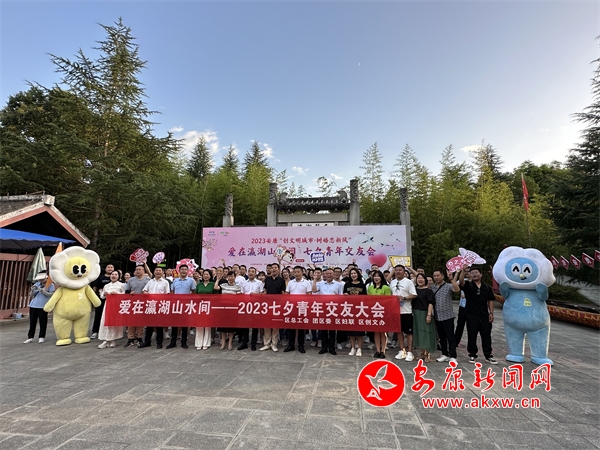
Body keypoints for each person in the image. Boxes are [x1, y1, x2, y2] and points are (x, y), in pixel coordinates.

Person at [459, 265, 497, 364]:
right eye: (472, 273)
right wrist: (463, 271)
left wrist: (491, 313)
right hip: (471, 315)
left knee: (486, 335)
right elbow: (461, 282)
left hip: (484, 315)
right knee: (472, 335)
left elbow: (490, 300)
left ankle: (488, 355)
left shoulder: (487, 287)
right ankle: (472, 354)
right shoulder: (468, 285)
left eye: (476, 272)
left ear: (481, 274)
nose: (474, 274)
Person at [431, 269, 460, 363]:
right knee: (441, 337)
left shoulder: (448, 286)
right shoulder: (432, 287)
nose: (436, 277)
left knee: (450, 337)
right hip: (437, 316)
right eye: (434, 276)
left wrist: (452, 279)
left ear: (442, 276)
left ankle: (453, 356)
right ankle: (444, 354)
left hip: (448, 315)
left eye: (438, 275)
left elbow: (457, 289)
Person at [313, 268, 343, 355]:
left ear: (333, 275)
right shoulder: (321, 284)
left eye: (331, 273)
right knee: (323, 329)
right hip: (323, 309)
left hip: (333, 309)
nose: (329, 275)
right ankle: (324, 347)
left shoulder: (338, 285)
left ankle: (332, 348)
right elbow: (314, 291)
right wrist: (314, 280)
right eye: (327, 274)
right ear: (324, 275)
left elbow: (341, 297)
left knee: (332, 330)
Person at [390, 265, 417, 362]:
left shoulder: (408, 282)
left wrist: (404, 298)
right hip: (395, 311)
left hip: (406, 311)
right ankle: (402, 350)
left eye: (400, 270)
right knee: (399, 331)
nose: (398, 272)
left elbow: (414, 295)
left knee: (408, 332)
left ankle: (410, 351)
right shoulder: (392, 282)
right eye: (396, 270)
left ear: (404, 271)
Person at [140, 267, 171, 349]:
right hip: (150, 305)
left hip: (160, 305)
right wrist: (146, 293)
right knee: (149, 325)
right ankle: (147, 341)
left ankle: (159, 342)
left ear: (163, 273)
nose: (158, 272)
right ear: (154, 272)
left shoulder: (165, 282)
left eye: (159, 270)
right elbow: (144, 290)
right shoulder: (150, 281)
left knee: (159, 325)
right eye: (156, 270)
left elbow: (167, 294)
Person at [284, 265, 312, 354]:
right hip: (292, 307)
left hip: (302, 307)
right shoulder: (290, 282)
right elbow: (287, 294)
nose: (296, 274)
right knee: (291, 327)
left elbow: (309, 295)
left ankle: (301, 345)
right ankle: (291, 345)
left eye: (298, 272)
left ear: (302, 272)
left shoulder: (307, 283)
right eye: (295, 272)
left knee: (301, 328)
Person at [167, 264, 196, 349]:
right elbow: (172, 292)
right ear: (179, 271)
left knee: (185, 324)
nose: (184, 271)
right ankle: (173, 342)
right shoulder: (175, 280)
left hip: (186, 305)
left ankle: (184, 342)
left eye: (185, 269)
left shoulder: (191, 280)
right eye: (182, 269)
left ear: (188, 271)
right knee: (174, 324)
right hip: (176, 305)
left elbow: (193, 291)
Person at [25, 270, 55, 344]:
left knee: (43, 322)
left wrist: (42, 291)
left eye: (42, 278)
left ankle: (41, 337)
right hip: (33, 305)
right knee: (32, 322)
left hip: (43, 306)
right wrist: (32, 290)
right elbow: (31, 295)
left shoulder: (50, 285)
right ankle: (30, 337)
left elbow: (51, 295)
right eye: (39, 279)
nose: (40, 280)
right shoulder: (37, 284)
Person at [261, 263, 286, 352]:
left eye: (275, 268)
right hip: (268, 305)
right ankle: (267, 343)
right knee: (267, 324)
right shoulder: (267, 279)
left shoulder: (281, 280)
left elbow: (283, 293)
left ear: (278, 269)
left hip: (277, 306)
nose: (274, 269)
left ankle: (274, 344)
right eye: (272, 268)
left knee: (275, 325)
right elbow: (265, 291)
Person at [124, 264, 150, 347]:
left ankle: (139, 338)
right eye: (137, 269)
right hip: (132, 303)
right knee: (131, 322)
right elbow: (126, 291)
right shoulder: (131, 280)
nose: (138, 271)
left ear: (143, 271)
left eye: (140, 269)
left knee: (140, 322)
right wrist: (130, 293)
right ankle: (130, 339)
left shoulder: (148, 280)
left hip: (143, 303)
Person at [97, 270, 125, 348]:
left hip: (116, 306)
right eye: (112, 274)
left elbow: (124, 295)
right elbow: (102, 296)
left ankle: (113, 339)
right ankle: (106, 340)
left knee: (113, 322)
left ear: (119, 276)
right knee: (105, 321)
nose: (114, 276)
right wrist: (104, 294)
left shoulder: (121, 285)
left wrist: (117, 294)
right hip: (108, 305)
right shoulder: (106, 286)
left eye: (116, 274)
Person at [238, 267, 264, 351]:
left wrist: (255, 295)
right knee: (245, 324)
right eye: (249, 271)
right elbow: (242, 293)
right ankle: (245, 342)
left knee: (254, 325)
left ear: (255, 273)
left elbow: (262, 294)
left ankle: (253, 343)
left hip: (256, 306)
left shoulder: (259, 283)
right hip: (245, 305)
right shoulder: (244, 283)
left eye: (253, 271)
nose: (251, 273)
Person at [412, 273, 436, 362]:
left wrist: (429, 315)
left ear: (425, 280)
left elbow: (431, 303)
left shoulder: (428, 291)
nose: (420, 280)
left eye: (422, 278)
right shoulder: (414, 290)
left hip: (425, 313)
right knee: (419, 333)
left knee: (426, 333)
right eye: (418, 278)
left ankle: (427, 354)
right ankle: (422, 353)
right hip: (416, 313)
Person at [367, 270, 391, 359]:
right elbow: (368, 300)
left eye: (378, 276)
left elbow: (388, 301)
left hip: (383, 312)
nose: (376, 278)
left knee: (383, 332)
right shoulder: (370, 288)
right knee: (376, 331)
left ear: (381, 278)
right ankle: (377, 350)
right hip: (374, 311)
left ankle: (383, 350)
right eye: (375, 276)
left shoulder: (386, 288)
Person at [214, 270, 241, 350]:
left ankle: (230, 342)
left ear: (235, 277)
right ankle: (223, 342)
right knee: (222, 326)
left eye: (232, 276)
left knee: (231, 327)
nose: (230, 278)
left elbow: (239, 297)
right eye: (229, 276)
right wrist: (218, 279)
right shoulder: (224, 285)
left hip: (232, 309)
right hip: (223, 308)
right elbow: (215, 287)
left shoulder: (238, 286)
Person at [343, 267, 367, 357]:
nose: (353, 275)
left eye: (355, 273)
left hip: (360, 309)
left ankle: (359, 348)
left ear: (358, 274)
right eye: (352, 273)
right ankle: (353, 347)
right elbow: (343, 295)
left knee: (359, 331)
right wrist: (345, 295)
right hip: (349, 309)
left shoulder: (362, 285)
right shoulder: (347, 284)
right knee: (351, 330)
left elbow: (365, 297)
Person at [194, 269, 216, 350]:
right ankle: (198, 343)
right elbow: (195, 295)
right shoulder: (199, 285)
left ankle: (206, 343)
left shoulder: (213, 284)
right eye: (204, 274)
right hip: (199, 307)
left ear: (210, 276)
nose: (205, 276)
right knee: (199, 325)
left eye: (207, 274)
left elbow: (216, 296)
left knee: (207, 325)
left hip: (209, 307)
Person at [91, 263, 114, 339]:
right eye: (108, 267)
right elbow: (95, 287)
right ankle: (95, 331)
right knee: (98, 315)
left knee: (110, 316)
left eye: (111, 267)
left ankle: (109, 332)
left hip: (112, 301)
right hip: (101, 299)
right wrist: (93, 297)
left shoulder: (115, 277)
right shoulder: (100, 277)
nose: (110, 268)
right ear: (105, 269)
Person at [455, 268, 471, 346]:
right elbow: (454, 285)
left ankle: (471, 343)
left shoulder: (476, 282)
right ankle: (455, 341)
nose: (467, 273)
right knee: (460, 325)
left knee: (471, 326)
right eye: (465, 271)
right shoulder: (463, 281)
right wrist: (457, 273)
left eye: (468, 271)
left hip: (472, 308)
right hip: (463, 306)